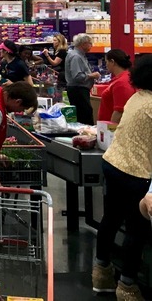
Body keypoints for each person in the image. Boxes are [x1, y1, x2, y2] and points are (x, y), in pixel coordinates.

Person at [95, 55, 152, 300]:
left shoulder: (137, 98)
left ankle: (101, 272)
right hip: (137, 173)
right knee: (136, 229)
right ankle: (127, 286)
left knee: (110, 219)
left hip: (113, 163)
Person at [65, 33, 100, 125]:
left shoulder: (79, 55)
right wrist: (92, 75)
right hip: (78, 90)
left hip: (80, 90)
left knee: (84, 113)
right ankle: (86, 136)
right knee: (85, 115)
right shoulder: (76, 57)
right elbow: (77, 76)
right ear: (83, 44)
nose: (91, 45)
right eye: (90, 43)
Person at [97, 49, 135, 123]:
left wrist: (111, 131)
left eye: (106, 62)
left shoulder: (121, 82)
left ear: (112, 62)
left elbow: (119, 112)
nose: (106, 65)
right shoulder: (123, 78)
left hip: (111, 129)